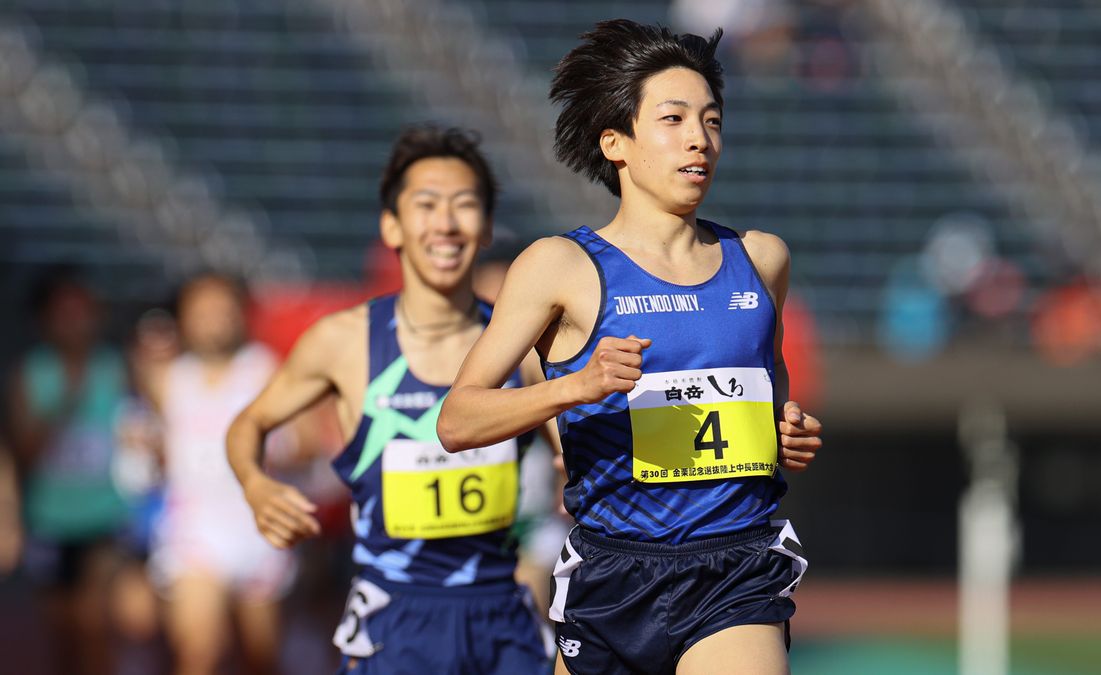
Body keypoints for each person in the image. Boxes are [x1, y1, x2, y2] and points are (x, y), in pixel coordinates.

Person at [437, 19, 822, 675]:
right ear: (615, 141)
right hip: (611, 574)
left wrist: (786, 431)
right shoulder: (558, 266)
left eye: (711, 119)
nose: (700, 138)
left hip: (733, 569)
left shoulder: (761, 261)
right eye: (673, 119)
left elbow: (767, 396)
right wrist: (575, 387)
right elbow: (457, 419)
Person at [226, 126, 555, 674]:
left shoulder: (521, 344)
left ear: (487, 226)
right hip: (394, 617)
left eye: (465, 205)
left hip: (503, 616)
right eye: (426, 205)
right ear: (392, 226)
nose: (446, 223)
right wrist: (255, 485)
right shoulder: (344, 342)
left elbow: (574, 448)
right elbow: (249, 423)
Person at [140, 274, 296, 675]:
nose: (214, 319)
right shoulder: (165, 378)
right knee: (199, 653)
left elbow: (305, 441)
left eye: (222, 309)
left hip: (258, 531)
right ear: (185, 318)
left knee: (261, 658)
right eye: (202, 311)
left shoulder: (266, 370)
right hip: (195, 533)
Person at [6, 269, 129, 675]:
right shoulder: (31, 374)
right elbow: (25, 452)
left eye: (83, 312)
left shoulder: (116, 368)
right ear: (45, 319)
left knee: (94, 623)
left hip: (105, 514)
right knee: (62, 632)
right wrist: (64, 405)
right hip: (51, 519)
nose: (75, 323)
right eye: (64, 313)